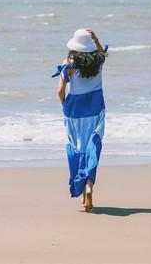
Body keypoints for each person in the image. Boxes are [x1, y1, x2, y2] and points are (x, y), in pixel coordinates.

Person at [51, 28, 108, 212]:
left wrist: (64, 105)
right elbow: (101, 51)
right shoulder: (99, 61)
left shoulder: (68, 63)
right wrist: (96, 37)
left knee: (78, 148)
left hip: (74, 109)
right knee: (92, 146)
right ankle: (89, 187)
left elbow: (60, 91)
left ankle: (82, 188)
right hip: (96, 106)